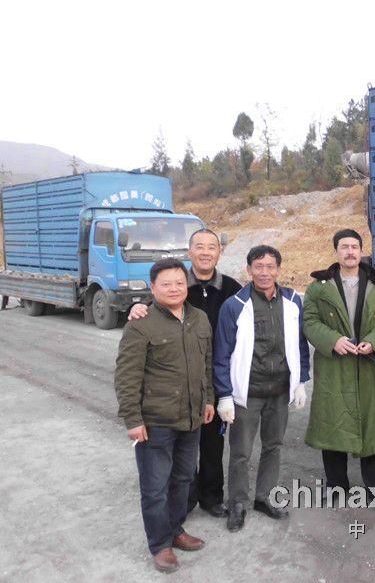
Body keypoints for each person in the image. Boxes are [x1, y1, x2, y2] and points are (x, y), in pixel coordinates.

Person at [129, 228, 241, 518]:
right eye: (199, 246)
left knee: (213, 442)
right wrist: (137, 306)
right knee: (182, 447)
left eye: (212, 247)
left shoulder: (231, 288)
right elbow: (153, 308)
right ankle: (184, 499)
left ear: (219, 252)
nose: (205, 252)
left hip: (214, 378)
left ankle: (211, 497)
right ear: (189, 251)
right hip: (177, 382)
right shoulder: (176, 283)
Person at [114, 258, 215, 573]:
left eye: (179, 283)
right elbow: (127, 376)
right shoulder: (141, 324)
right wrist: (133, 419)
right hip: (156, 421)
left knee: (183, 479)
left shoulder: (199, 319)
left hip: (191, 417)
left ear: (187, 285)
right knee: (155, 486)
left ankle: (175, 529)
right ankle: (160, 545)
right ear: (153, 287)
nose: (174, 289)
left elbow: (206, 364)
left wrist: (209, 399)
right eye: (166, 284)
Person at [303, 229, 375, 513]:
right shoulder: (319, 287)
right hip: (335, 365)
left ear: (361, 250)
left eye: (354, 246)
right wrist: (333, 340)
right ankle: (336, 486)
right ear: (336, 251)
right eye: (344, 247)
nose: (349, 252)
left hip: (371, 365)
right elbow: (309, 321)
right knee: (333, 426)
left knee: (374, 429)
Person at [214, 245, 310, 532]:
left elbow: (300, 344)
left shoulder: (292, 301)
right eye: (258, 266)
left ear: (278, 269)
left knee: (273, 446)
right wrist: (225, 395)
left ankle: (264, 497)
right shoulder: (234, 306)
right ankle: (238, 502)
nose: (264, 272)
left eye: (270, 266)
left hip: (279, 391)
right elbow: (221, 354)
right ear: (249, 270)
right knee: (240, 452)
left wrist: (301, 381)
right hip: (248, 393)